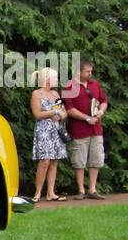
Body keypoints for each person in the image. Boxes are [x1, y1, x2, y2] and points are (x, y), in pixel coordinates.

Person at [61, 59, 108, 199]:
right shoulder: (68, 87)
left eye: (91, 71)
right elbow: (69, 109)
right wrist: (87, 118)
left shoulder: (95, 84)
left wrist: (101, 111)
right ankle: (81, 190)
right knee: (79, 161)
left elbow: (104, 101)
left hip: (96, 129)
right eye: (87, 71)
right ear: (78, 72)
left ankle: (92, 189)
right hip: (79, 129)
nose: (90, 73)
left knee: (96, 159)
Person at [29, 67, 68, 202]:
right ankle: (38, 192)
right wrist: (53, 112)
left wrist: (62, 115)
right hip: (44, 130)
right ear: (47, 79)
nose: (56, 80)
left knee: (54, 160)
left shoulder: (55, 94)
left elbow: (63, 111)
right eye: (55, 78)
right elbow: (38, 114)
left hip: (56, 129)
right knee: (44, 161)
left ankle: (51, 193)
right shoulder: (37, 94)